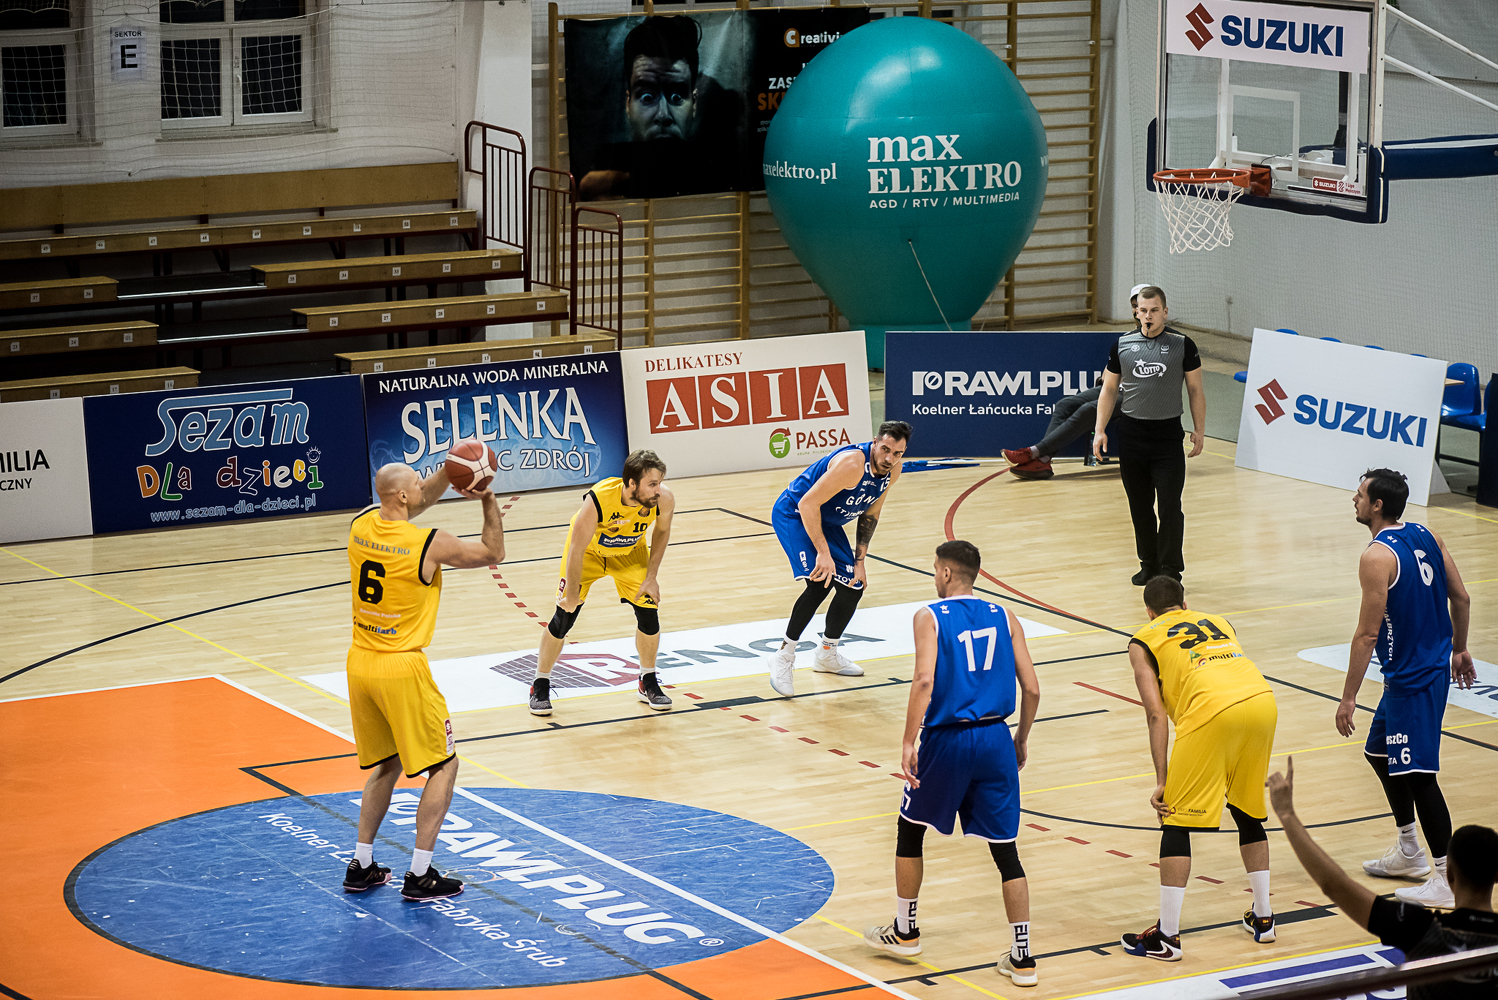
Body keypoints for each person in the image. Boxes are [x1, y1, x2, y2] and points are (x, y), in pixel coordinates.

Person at [863, 541, 1042, 988]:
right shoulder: (1006, 615)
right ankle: (1023, 958)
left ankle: (906, 932)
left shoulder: (929, 615)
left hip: (947, 739)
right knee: (1006, 851)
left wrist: (909, 739)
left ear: (945, 573)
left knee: (910, 829)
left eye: (934, 570)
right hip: (996, 737)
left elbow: (924, 679)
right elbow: (1033, 688)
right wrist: (1020, 738)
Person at [343, 463, 506, 901]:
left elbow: (414, 501)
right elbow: (493, 552)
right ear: (401, 496)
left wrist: (452, 473)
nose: (423, 486)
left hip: (360, 663)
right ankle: (419, 874)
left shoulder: (361, 524)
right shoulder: (428, 543)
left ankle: (361, 864)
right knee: (444, 765)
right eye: (417, 482)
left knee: (388, 763)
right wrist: (488, 499)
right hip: (402, 667)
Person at [1120, 576, 1279, 962]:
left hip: (1210, 712)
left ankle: (1168, 938)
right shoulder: (1221, 622)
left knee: (1174, 819)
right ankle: (1263, 918)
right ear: (1185, 604)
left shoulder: (1143, 640)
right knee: (1246, 811)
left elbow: (1156, 714)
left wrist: (1163, 780)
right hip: (1262, 702)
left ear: (1149, 611)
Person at [1340, 468, 1475, 908]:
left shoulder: (1377, 557)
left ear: (1377, 505)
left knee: (1419, 777)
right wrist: (1460, 648)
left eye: (1361, 494)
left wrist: (1348, 697)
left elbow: (1367, 634)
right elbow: (1462, 597)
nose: (1355, 499)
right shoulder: (1426, 534)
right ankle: (1409, 850)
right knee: (1378, 753)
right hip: (1415, 672)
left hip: (1415, 680)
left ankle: (1446, 878)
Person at [1269, 759, 1498, 1000]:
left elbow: (1335, 885)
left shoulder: (1422, 929)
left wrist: (1287, 815)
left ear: (1449, 874)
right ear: (1497, 875)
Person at [766, 421, 910, 697]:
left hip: (826, 520)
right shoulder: (852, 465)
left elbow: (871, 514)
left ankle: (827, 654)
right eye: (885, 449)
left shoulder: (893, 470)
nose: (889, 458)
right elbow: (807, 503)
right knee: (820, 582)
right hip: (796, 514)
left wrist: (860, 562)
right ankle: (783, 655)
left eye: (897, 453)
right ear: (875, 442)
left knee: (854, 585)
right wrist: (823, 553)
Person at [529, 450, 676, 716]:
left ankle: (647, 680)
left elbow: (662, 531)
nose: (658, 489)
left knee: (649, 614)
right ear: (632, 483)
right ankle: (540, 683)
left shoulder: (663, 499)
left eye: (660, 482)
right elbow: (576, 548)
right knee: (564, 617)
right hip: (589, 554)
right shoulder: (598, 499)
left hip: (630, 554)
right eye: (652, 483)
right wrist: (571, 594)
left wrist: (651, 577)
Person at [1092, 285, 1207, 585]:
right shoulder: (1122, 345)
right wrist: (1099, 430)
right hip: (1132, 435)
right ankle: (1149, 563)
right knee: (1139, 505)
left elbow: (1195, 390)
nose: (1148, 316)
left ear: (1165, 312)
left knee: (1169, 506)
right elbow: (1109, 389)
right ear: (1136, 313)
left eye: (1154, 310)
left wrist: (1199, 429)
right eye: (1142, 310)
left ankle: (1170, 568)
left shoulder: (1183, 345)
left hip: (1167, 437)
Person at [1002, 283, 1157, 480]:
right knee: (1065, 404)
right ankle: (1043, 461)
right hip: (1116, 388)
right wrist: (1106, 380)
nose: (1138, 310)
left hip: (1140, 396)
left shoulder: (1163, 338)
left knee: (1090, 409)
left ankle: (1033, 452)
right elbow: (1110, 370)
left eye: (1142, 306)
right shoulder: (1127, 337)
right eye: (1135, 306)